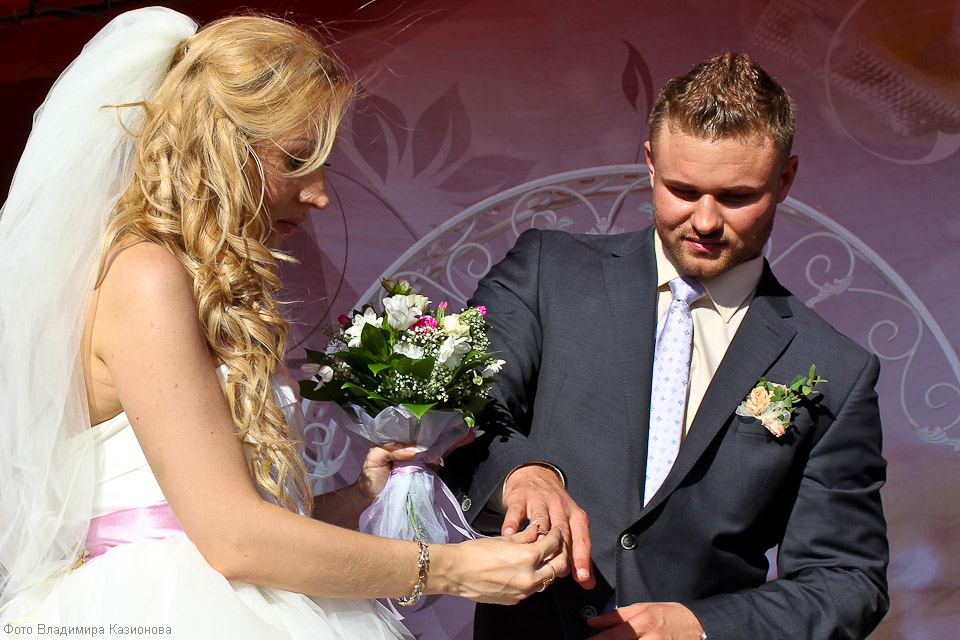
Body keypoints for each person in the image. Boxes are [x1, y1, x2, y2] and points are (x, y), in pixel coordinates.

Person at [0, 8, 567, 638]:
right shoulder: (144, 276)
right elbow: (233, 540)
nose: (319, 194)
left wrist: (356, 498)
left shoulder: (206, 285)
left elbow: (231, 520)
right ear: (220, 145)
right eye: (297, 159)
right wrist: (451, 569)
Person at [445, 52, 889, 639]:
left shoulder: (835, 368)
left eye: (736, 196)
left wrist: (702, 627)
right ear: (651, 161)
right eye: (683, 189)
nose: (704, 221)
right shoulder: (548, 272)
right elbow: (456, 410)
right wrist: (520, 472)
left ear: (785, 179)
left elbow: (847, 580)